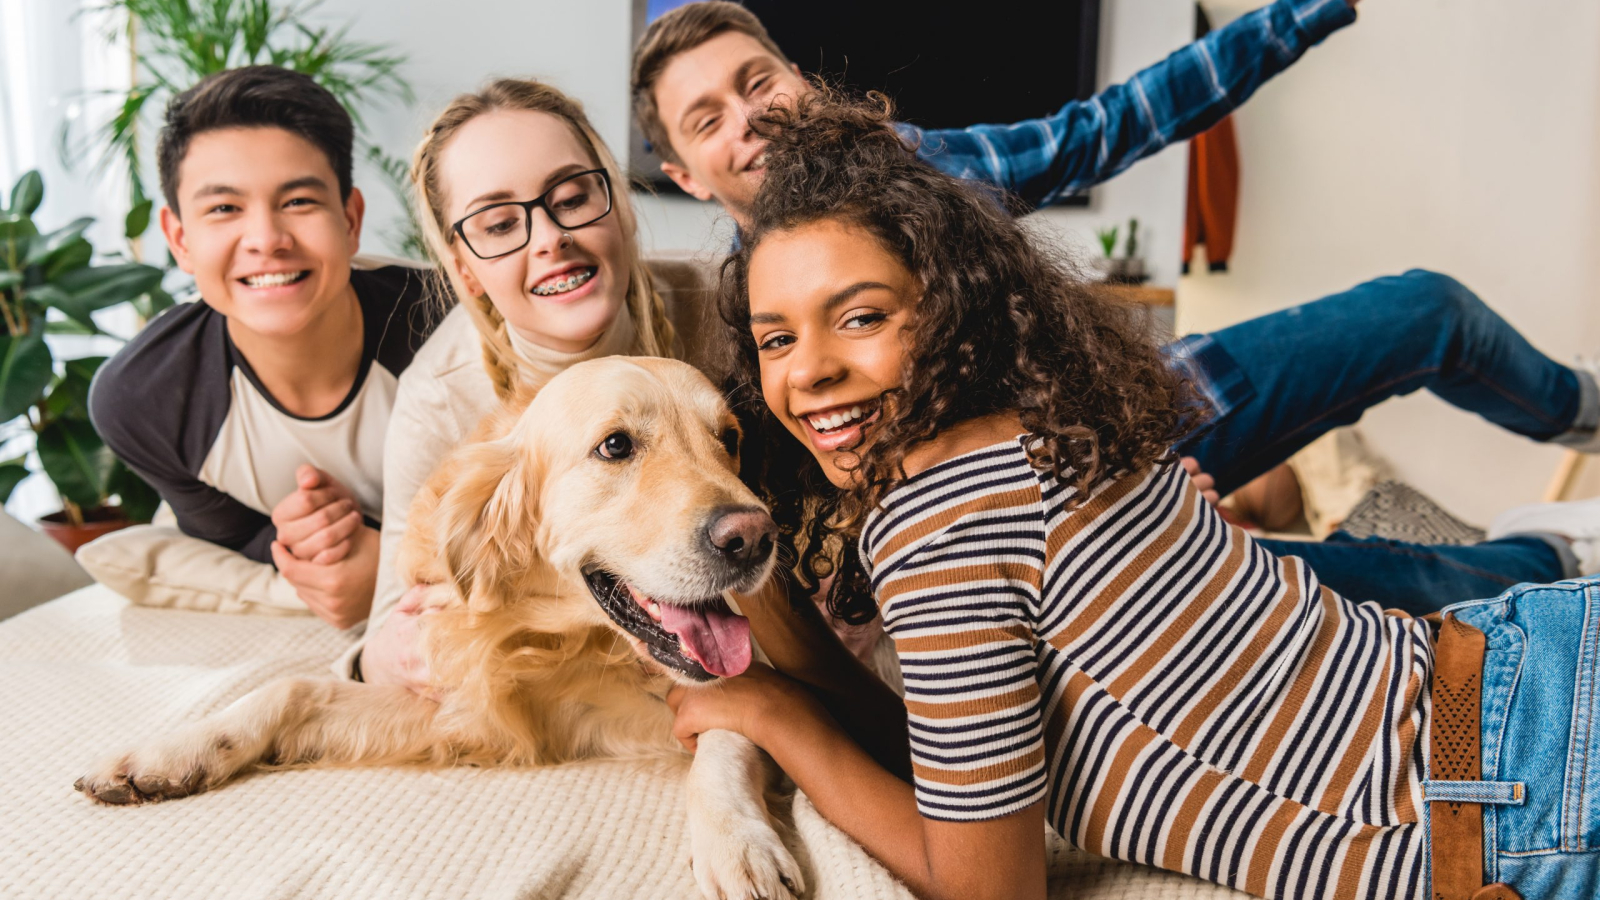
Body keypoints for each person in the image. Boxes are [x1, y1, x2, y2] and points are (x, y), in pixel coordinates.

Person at [669, 92, 1593, 900]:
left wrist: (778, 717)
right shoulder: (1046, 422)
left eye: (861, 316)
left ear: (947, 304)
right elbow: (966, 756)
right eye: (775, 339)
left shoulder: (937, 526)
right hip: (1529, 677)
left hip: (1519, 784)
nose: (811, 372)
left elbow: (986, 886)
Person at [631, 0, 1600, 608]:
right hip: (1048, 516)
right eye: (707, 118)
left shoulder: (934, 166)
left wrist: (1292, 16)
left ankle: (1576, 410)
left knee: (1421, 309)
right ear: (682, 171)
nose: (749, 115)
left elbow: (1108, 126)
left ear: (798, 76)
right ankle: (1552, 563)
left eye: (757, 79)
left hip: (1138, 403)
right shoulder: (757, 335)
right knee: (1350, 579)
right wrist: (1127, 507)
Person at [349, 79, 676, 686]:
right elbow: (382, 636)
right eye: (499, 225)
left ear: (621, 206)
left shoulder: (725, 309)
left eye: (573, 198)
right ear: (465, 269)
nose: (551, 238)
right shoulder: (439, 400)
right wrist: (398, 653)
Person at [89, 66, 436, 631]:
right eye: (224, 208)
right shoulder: (144, 400)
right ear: (180, 239)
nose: (266, 240)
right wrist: (303, 541)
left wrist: (396, 565)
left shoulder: (452, 327)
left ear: (350, 220)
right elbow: (238, 537)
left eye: (297, 200)